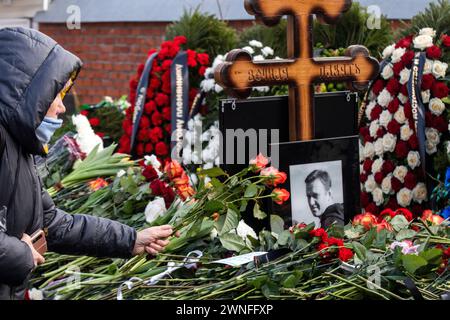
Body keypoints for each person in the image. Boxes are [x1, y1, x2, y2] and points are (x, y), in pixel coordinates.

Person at [0, 27, 178, 300]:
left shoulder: (21, 148)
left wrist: (131, 240)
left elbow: (52, 224)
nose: (61, 107)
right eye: (55, 96)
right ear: (28, 94)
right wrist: (22, 254)